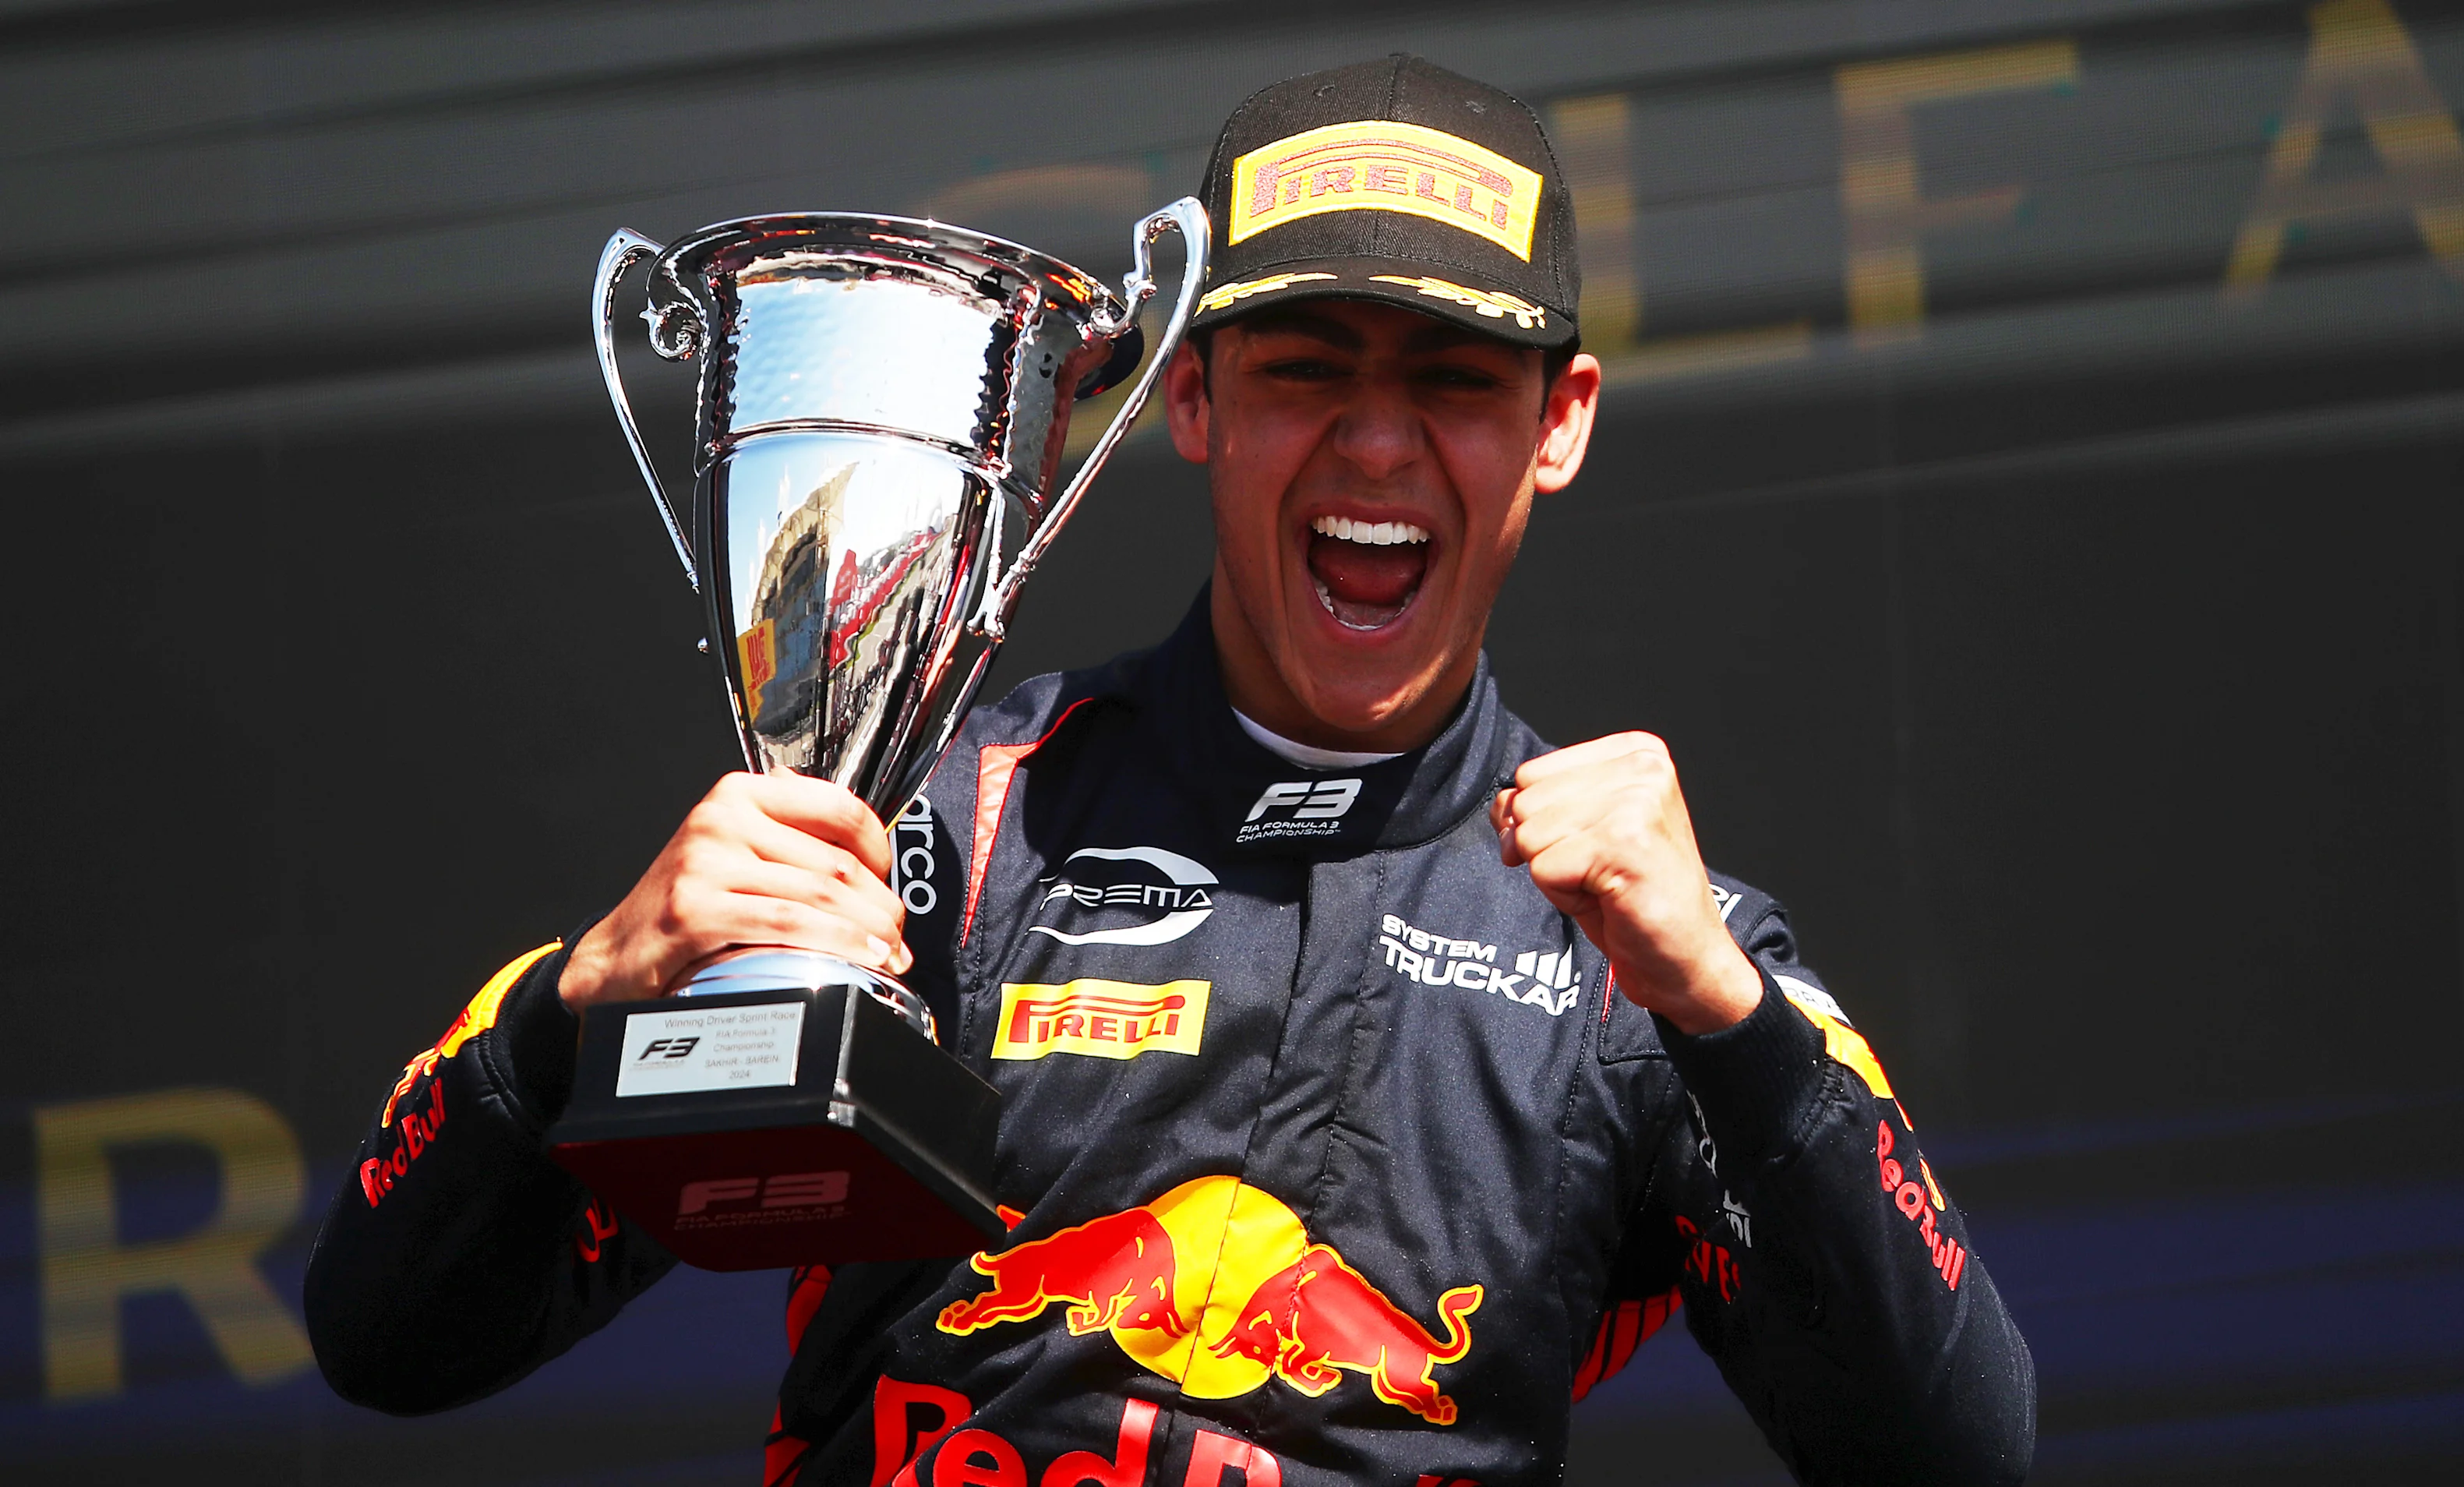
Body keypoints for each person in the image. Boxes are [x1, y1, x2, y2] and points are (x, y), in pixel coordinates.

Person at [306, 54, 2035, 1487]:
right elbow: (392, 1339)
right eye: (1306, 371)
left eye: (1450, 379)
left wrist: (1728, 1020)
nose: (1374, 441)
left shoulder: (1646, 958)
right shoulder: (947, 826)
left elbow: (1953, 1452)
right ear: (1189, 399)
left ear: (1559, 423)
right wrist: (583, 1006)